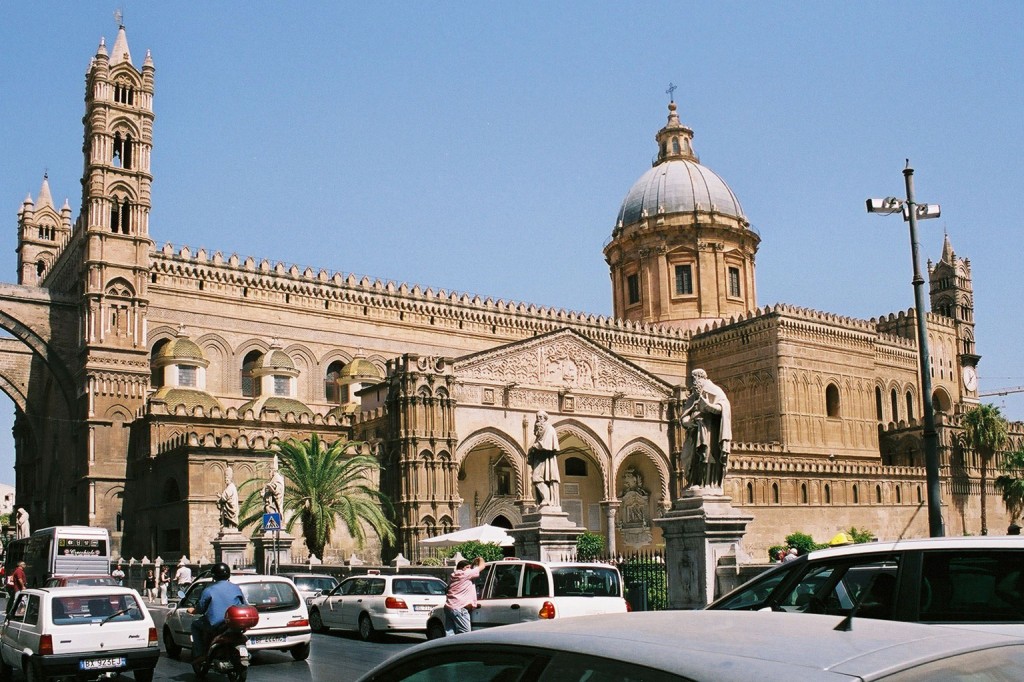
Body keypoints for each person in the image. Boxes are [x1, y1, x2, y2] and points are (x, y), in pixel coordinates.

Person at [678, 369, 733, 490]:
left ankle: (705, 483)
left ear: (700, 378)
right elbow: (684, 416)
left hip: (709, 431)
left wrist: (708, 406)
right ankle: (693, 481)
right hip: (693, 432)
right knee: (688, 457)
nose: (693, 382)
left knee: (706, 456)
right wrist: (688, 422)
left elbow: (724, 407)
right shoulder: (692, 397)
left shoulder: (715, 390)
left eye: (694, 379)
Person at [189, 562, 245, 665]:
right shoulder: (236, 588)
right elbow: (243, 604)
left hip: (216, 624)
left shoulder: (209, 589)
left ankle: (200, 654)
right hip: (233, 623)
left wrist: (193, 610)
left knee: (195, 625)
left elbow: (201, 608)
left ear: (214, 575)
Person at [444, 556, 486, 635]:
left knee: (450, 634)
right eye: (468, 567)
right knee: (465, 634)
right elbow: (482, 566)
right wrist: (480, 559)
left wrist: (472, 565)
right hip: (459, 608)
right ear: (462, 568)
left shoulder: (454, 575)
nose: (470, 569)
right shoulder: (465, 574)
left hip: (449, 607)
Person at [528, 411, 561, 509]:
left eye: (540, 417)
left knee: (537, 478)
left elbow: (545, 444)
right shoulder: (540, 432)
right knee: (538, 479)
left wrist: (533, 447)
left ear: (545, 419)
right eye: (537, 417)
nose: (538, 419)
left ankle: (546, 499)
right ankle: (543, 500)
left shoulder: (549, 429)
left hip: (545, 459)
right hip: (539, 458)